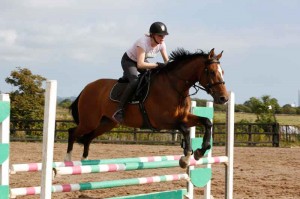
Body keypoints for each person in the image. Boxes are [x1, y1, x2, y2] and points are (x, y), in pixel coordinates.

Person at [112, 21, 169, 123]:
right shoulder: (142, 42)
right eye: (160, 35)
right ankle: (119, 110)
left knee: (154, 77)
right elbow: (140, 65)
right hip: (129, 61)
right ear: (153, 35)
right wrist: (157, 65)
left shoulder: (162, 44)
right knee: (134, 82)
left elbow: (167, 62)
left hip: (141, 61)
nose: (163, 38)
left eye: (164, 35)